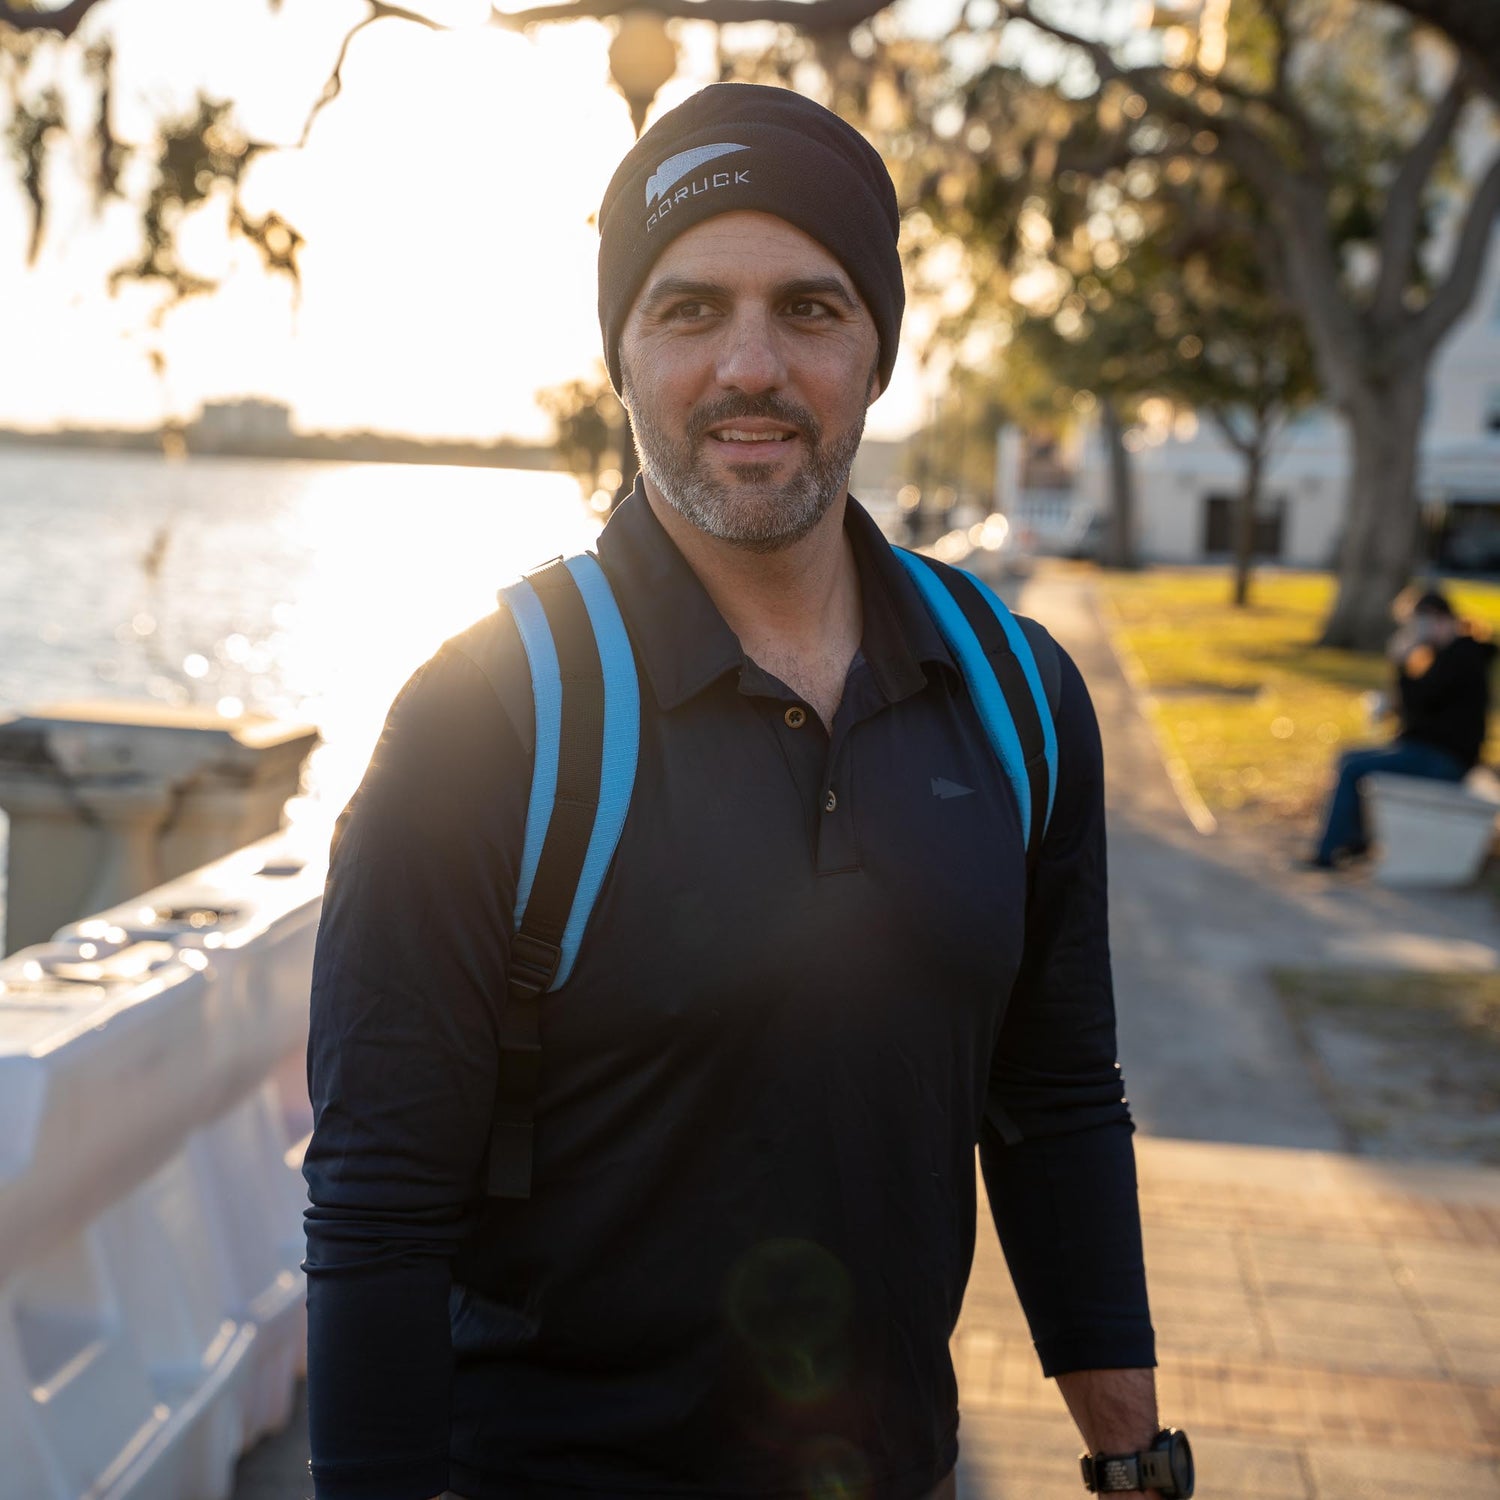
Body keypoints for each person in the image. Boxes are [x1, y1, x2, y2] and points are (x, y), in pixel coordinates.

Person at [303, 84, 1181, 1500]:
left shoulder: (1016, 693)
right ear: (624, 358)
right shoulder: (490, 718)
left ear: (879, 351)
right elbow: (377, 1213)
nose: (750, 368)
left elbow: (1054, 1090)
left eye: (812, 310)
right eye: (691, 310)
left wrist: (1132, 1445)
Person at [1306, 586, 1496, 869]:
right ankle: (1352, 841)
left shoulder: (1461, 656)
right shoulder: (1453, 654)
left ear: (1435, 618)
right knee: (1352, 759)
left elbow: (1419, 705)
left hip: (1445, 760)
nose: (1413, 633)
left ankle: (1330, 851)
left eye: (1414, 624)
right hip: (1437, 752)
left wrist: (1401, 663)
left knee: (1352, 765)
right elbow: (1423, 708)